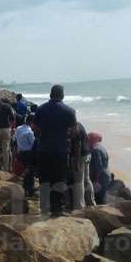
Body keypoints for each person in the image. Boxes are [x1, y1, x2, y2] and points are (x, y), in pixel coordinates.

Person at [32, 85, 77, 216]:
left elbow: (34, 127)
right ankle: (57, 209)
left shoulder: (41, 109)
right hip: (61, 150)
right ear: (62, 95)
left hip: (44, 149)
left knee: (44, 178)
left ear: (50, 94)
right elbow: (74, 132)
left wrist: (42, 135)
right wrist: (65, 135)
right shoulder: (69, 111)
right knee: (59, 179)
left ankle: (44, 207)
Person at [70, 122, 96, 210]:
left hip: (79, 156)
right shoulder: (79, 124)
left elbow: (78, 144)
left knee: (78, 182)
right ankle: (91, 203)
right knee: (86, 179)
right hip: (87, 154)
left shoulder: (73, 127)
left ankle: (79, 207)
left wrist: (76, 161)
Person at [0, 96, 15, 172]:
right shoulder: (7, 106)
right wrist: (10, 127)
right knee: (6, 149)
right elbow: (12, 117)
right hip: (6, 129)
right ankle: (6, 168)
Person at [14, 114, 36, 196]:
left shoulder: (19, 128)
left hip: (20, 153)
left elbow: (15, 140)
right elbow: (33, 145)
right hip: (28, 154)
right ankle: (29, 190)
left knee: (23, 171)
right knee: (30, 172)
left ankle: (24, 189)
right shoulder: (30, 132)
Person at [88, 132, 110, 205]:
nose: (87, 140)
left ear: (93, 139)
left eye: (89, 138)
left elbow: (98, 167)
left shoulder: (95, 150)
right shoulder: (102, 147)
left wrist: (96, 180)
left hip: (100, 177)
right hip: (106, 174)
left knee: (98, 197)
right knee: (103, 195)